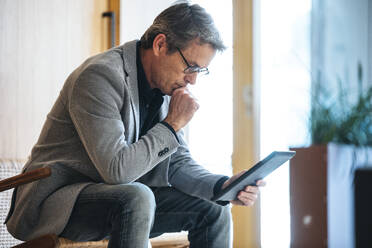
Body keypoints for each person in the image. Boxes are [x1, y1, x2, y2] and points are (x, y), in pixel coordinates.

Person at [5, 3, 265, 248]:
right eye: (191, 67)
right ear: (161, 44)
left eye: (201, 71)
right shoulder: (100, 76)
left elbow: (176, 163)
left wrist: (222, 186)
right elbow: (116, 171)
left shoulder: (166, 87)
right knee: (137, 196)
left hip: (121, 202)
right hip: (58, 203)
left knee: (215, 207)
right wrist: (172, 124)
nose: (192, 81)